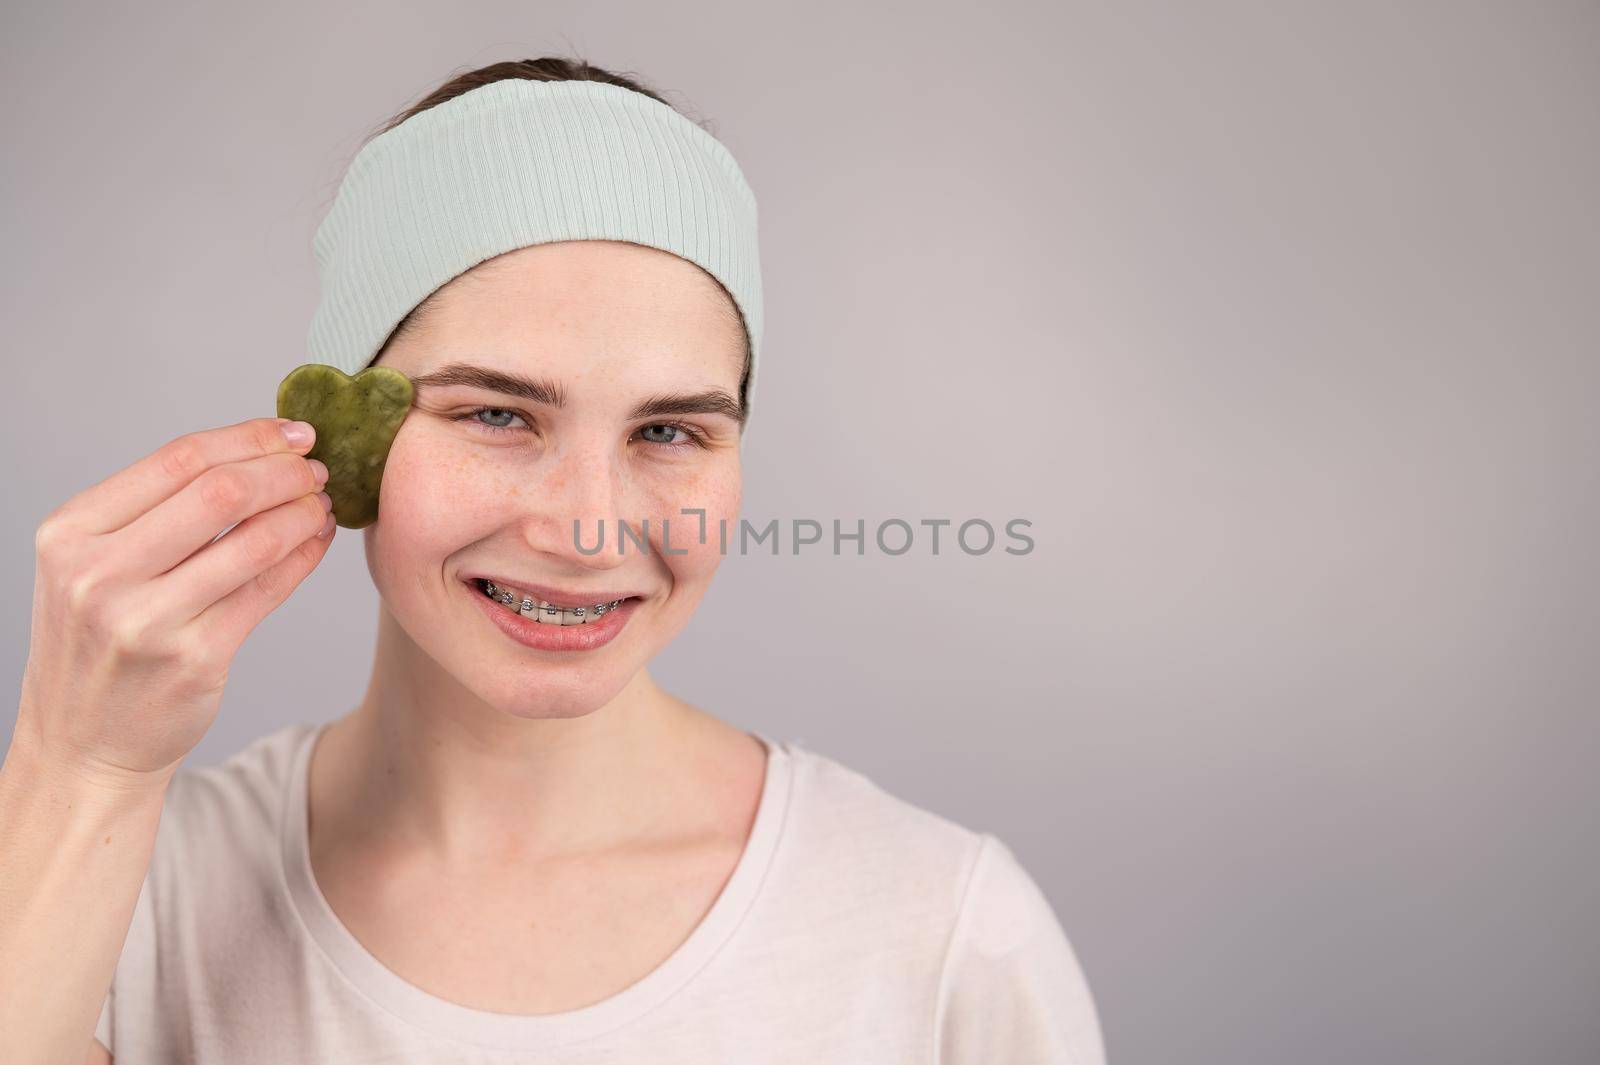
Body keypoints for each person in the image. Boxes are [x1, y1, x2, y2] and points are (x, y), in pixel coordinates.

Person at [0, 57, 1106, 1064]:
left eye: (669, 432)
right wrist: (76, 762)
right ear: (346, 440)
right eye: (496, 414)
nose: (589, 523)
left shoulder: (942, 932)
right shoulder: (119, 890)